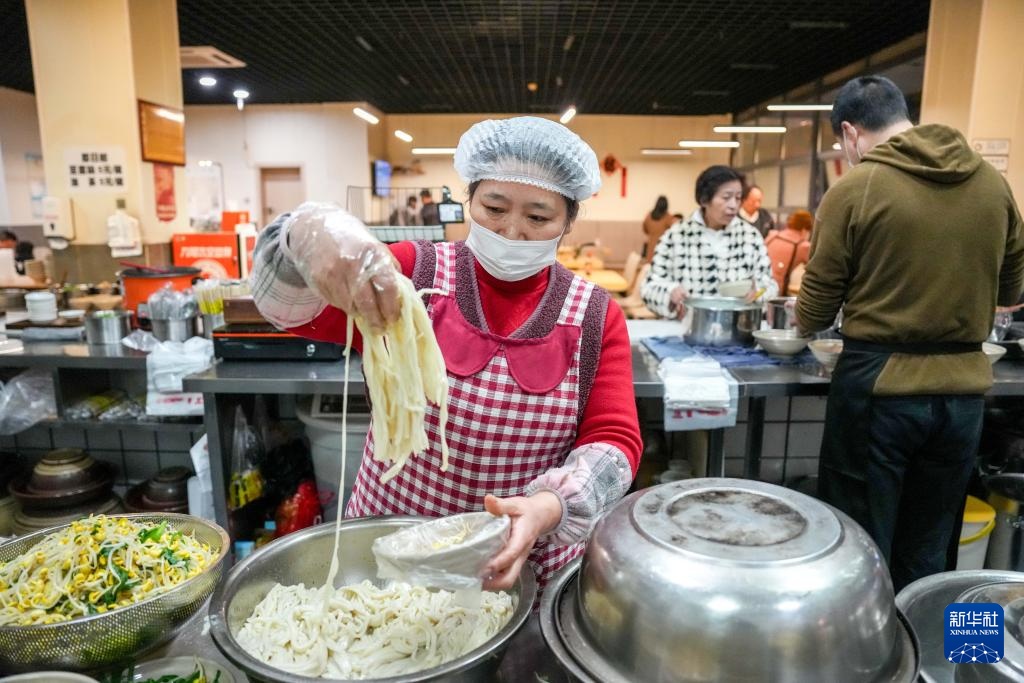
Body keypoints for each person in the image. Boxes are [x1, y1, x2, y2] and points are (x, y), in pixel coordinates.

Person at [251, 116, 642, 591]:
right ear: (469, 200)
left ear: (569, 221)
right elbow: (289, 311)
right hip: (392, 548)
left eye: (538, 217)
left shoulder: (593, 315)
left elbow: (614, 442)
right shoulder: (414, 274)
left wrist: (549, 507)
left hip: (515, 563)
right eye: (494, 207)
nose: (513, 231)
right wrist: (303, 236)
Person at [795, 75, 1024, 591]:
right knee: (934, 538)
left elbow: (812, 311)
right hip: (963, 394)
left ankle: (867, 664)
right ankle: (949, 657)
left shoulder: (855, 188)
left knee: (860, 540)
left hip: (879, 388)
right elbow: (1014, 288)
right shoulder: (992, 183)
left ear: (851, 133)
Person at [641, 165, 777, 319]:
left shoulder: (750, 236)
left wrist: (757, 292)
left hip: (737, 329)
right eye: (726, 197)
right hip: (686, 329)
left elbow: (770, 285)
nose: (733, 205)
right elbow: (649, 287)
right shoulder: (677, 235)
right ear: (704, 200)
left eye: (738, 198)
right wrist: (670, 293)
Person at [765, 210, 813, 295]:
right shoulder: (802, 246)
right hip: (776, 294)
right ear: (805, 229)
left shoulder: (772, 235)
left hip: (757, 289)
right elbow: (818, 270)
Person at [642, 195, 675, 261]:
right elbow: (673, 231)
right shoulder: (668, 217)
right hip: (663, 248)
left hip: (650, 247)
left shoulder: (649, 215)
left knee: (649, 267)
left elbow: (644, 228)